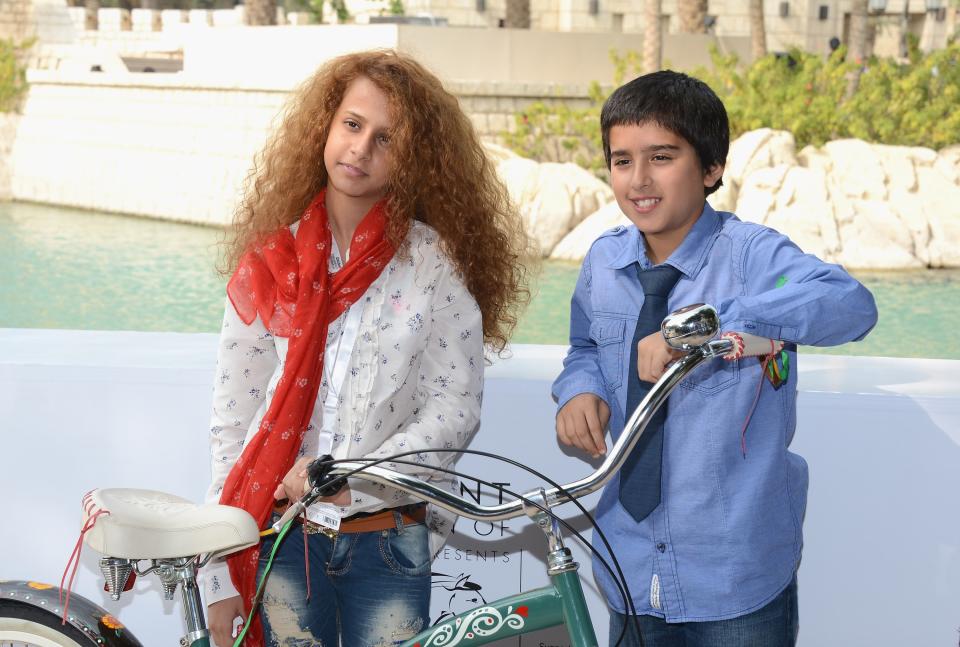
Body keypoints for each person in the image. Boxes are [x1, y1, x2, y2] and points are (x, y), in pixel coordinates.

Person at [203, 50, 529, 647]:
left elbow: (453, 409)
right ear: (324, 126)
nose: (362, 148)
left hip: (388, 544)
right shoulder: (270, 260)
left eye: (387, 138)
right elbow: (233, 421)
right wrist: (217, 573)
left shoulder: (432, 266)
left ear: (415, 158)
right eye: (353, 125)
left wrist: (358, 476)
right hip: (279, 541)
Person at [552, 70, 877, 646]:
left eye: (662, 157)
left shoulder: (752, 254)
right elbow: (584, 346)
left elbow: (849, 304)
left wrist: (706, 327)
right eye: (621, 160)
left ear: (710, 168)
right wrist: (580, 389)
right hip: (627, 560)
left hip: (735, 572)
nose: (639, 179)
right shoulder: (602, 262)